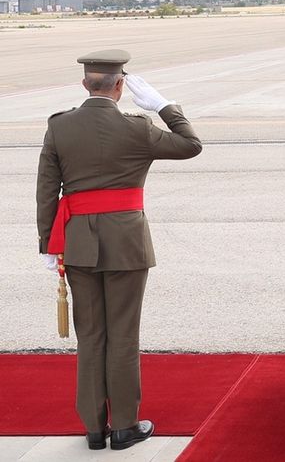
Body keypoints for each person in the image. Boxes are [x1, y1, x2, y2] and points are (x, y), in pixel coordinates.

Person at [36, 50, 202, 451]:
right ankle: (125, 426)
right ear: (120, 86)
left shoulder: (59, 127)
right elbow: (191, 144)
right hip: (127, 242)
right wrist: (164, 106)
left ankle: (94, 428)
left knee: (90, 335)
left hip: (77, 242)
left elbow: (46, 191)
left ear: (84, 84)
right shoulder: (138, 128)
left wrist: (48, 243)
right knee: (123, 335)